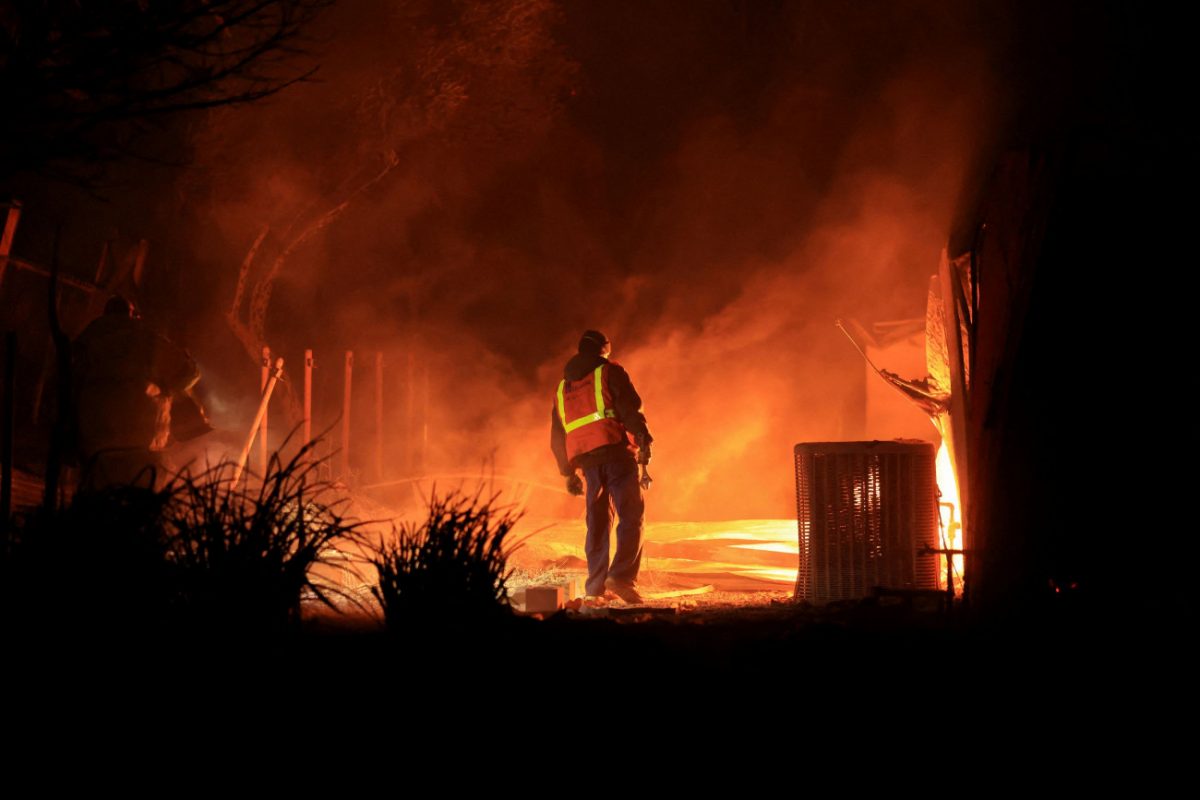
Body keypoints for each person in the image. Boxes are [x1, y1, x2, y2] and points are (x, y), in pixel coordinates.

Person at [550, 330, 652, 604]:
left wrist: (567, 472)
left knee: (597, 523)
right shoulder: (609, 372)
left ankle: (595, 585)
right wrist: (643, 440)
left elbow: (558, 435)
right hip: (617, 455)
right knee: (631, 516)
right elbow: (630, 408)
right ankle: (621, 578)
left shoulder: (563, 389)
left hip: (588, 464)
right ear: (603, 351)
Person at [72, 295, 201, 490]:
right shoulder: (146, 341)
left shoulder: (85, 342)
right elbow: (189, 372)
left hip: (93, 439)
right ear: (132, 315)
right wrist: (167, 389)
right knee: (136, 502)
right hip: (139, 439)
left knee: (96, 501)